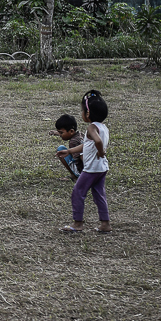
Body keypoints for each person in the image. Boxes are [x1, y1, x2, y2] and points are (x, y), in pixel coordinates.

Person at [62, 90, 111, 234]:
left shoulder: (91, 127)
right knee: (98, 194)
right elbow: (88, 144)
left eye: (82, 110)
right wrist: (69, 151)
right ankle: (105, 223)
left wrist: (101, 151)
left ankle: (77, 224)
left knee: (78, 192)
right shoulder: (104, 127)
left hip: (91, 169)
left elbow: (97, 141)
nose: (81, 113)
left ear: (88, 114)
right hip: (102, 167)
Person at [52, 113, 84, 181]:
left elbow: (81, 158)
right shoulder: (80, 135)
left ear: (71, 131)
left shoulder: (73, 142)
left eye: (61, 133)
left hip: (83, 172)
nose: (60, 135)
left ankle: (75, 176)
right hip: (91, 170)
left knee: (61, 149)